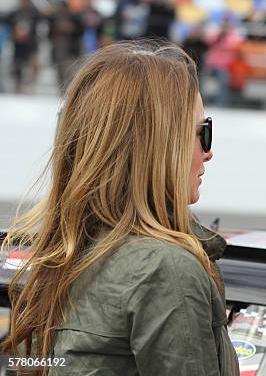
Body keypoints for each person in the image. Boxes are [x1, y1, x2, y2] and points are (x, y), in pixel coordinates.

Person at [2, 41, 240, 376]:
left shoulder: (62, 254)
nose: (208, 152)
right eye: (203, 133)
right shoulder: (164, 269)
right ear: (159, 145)